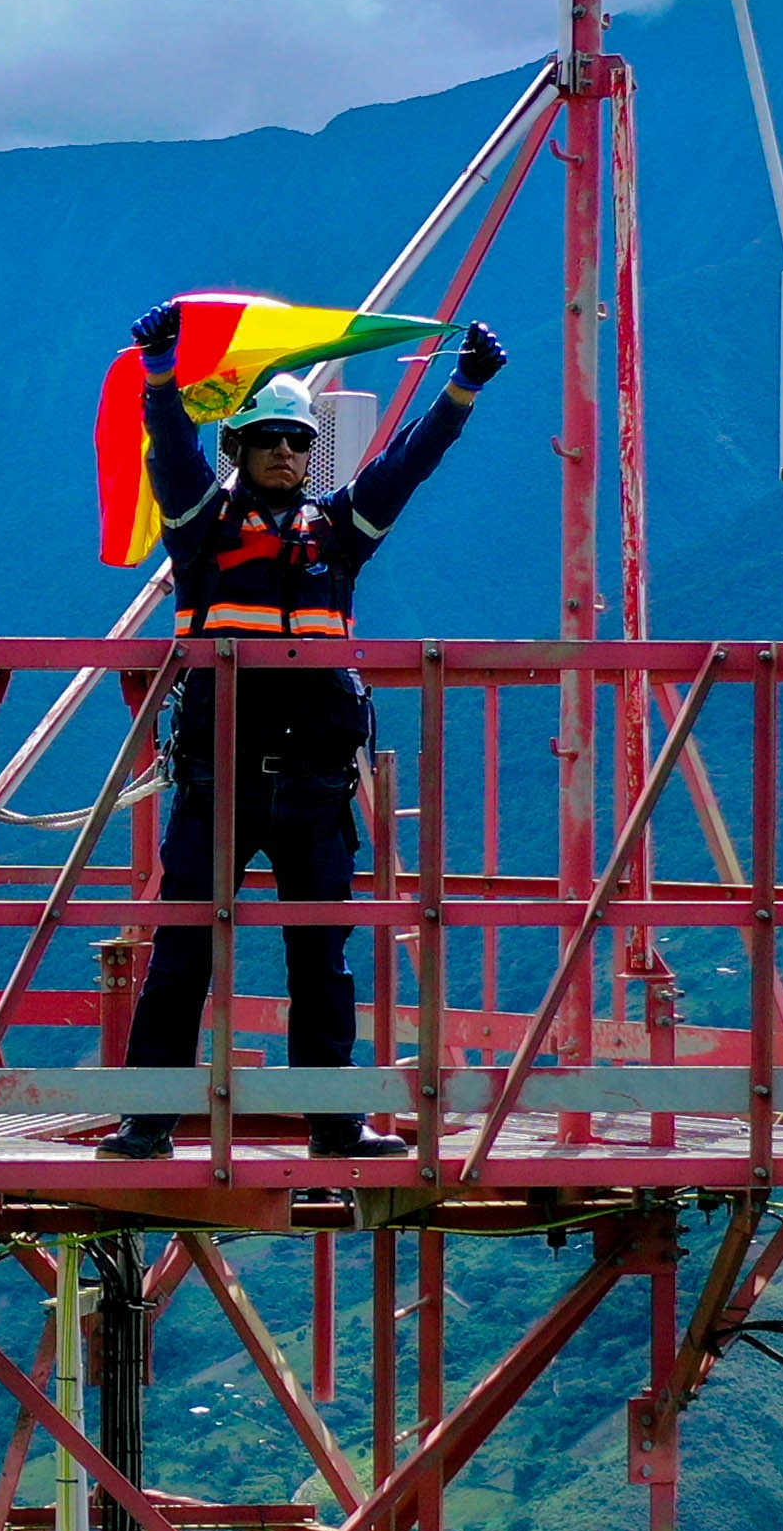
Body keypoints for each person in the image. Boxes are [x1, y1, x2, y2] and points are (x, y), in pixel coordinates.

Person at [104, 303, 504, 1157]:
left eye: (296, 438)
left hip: (316, 785)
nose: (286, 451)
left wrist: (462, 388)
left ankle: (334, 1122)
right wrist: (162, 376)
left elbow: (406, 466)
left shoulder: (339, 534)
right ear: (240, 451)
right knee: (182, 953)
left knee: (321, 960)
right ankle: (148, 1122)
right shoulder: (202, 530)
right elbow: (171, 457)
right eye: (268, 438)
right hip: (218, 779)